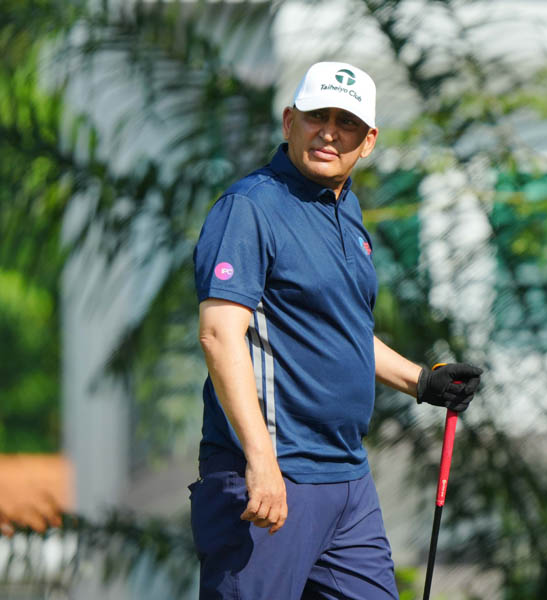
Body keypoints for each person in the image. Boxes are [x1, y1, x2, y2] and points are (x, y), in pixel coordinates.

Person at [191, 61, 483, 600]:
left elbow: (341, 330)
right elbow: (219, 334)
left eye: (346, 122)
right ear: (289, 122)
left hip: (347, 479)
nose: (329, 133)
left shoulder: (345, 210)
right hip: (273, 476)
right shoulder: (250, 207)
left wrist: (422, 382)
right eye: (317, 116)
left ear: (367, 141)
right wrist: (261, 461)